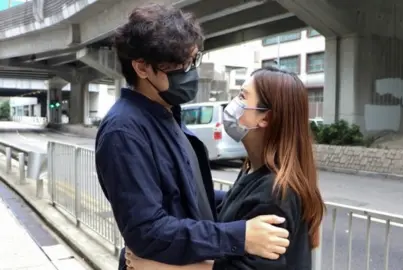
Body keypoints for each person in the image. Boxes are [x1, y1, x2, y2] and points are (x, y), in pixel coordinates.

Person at [95, 4, 290, 270]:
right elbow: (148, 230)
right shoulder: (124, 132)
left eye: (193, 61)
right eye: (178, 67)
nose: (190, 73)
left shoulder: (167, 113)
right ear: (141, 68)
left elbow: (187, 192)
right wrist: (240, 236)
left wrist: (250, 198)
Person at [125, 67, 326, 270]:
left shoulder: (275, 192)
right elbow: (235, 203)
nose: (233, 104)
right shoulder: (255, 171)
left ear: (264, 118)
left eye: (242, 96)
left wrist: (157, 268)